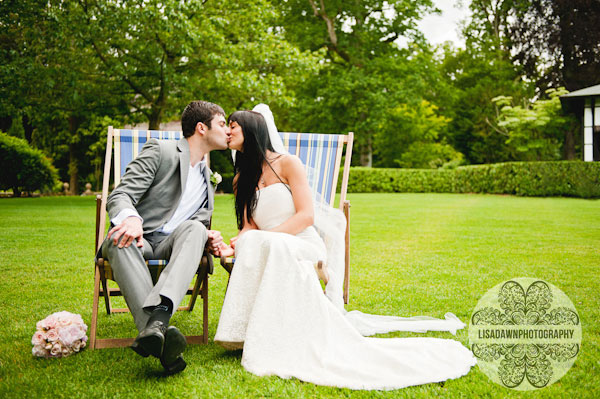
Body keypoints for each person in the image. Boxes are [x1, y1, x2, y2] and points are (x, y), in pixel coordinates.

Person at [213, 105, 477, 390]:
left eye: (233, 125)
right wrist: (231, 248)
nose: (227, 131)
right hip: (269, 245)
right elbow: (249, 227)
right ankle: (244, 331)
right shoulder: (242, 178)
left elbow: (307, 216)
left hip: (303, 243)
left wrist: (269, 237)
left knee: (270, 246)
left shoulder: (289, 164)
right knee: (260, 245)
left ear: (251, 130)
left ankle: (282, 334)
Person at [100, 100, 229, 374]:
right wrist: (132, 219)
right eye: (222, 123)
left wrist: (207, 234)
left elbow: (195, 222)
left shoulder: (209, 178)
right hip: (142, 240)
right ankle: (160, 333)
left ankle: (156, 323)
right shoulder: (162, 150)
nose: (228, 130)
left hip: (174, 245)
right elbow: (120, 195)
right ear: (201, 128)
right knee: (117, 238)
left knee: (196, 229)